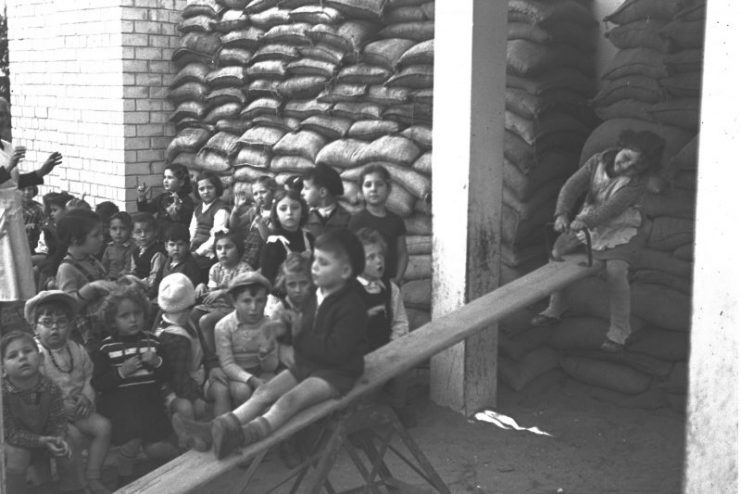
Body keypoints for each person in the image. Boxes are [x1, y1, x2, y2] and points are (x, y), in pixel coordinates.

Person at [173, 229, 368, 459]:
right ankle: (211, 430)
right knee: (264, 391)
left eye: (323, 263)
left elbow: (336, 352)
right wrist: (282, 333)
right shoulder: (317, 294)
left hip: (337, 373)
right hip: (312, 363)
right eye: (315, 259)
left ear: (345, 271)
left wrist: (298, 334)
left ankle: (242, 436)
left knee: (289, 401)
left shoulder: (351, 304)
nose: (314, 266)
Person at [530, 129, 667, 352]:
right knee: (558, 252)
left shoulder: (636, 183)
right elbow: (571, 186)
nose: (627, 167)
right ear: (621, 146)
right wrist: (562, 213)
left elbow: (611, 209)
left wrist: (584, 221)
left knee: (616, 272)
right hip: (588, 225)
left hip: (621, 230)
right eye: (626, 159)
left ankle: (619, 331)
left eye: (636, 167)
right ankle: (555, 308)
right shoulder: (597, 162)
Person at [27, 291, 112, 494]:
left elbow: (89, 376)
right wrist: (60, 408)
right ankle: (73, 484)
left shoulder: (76, 349)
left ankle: (93, 475)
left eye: (61, 322)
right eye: (47, 322)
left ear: (71, 325)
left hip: (78, 408)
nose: (55, 327)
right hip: (49, 415)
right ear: (35, 328)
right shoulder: (35, 355)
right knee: (71, 436)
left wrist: (85, 395)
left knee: (104, 426)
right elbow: (34, 389)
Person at [91, 286, 178, 486]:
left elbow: (168, 375)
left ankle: (179, 461)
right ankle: (124, 480)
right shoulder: (106, 347)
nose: (133, 320)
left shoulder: (153, 342)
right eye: (124, 316)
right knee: (130, 444)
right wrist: (122, 372)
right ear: (113, 320)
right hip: (121, 409)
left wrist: (156, 362)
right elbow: (99, 383)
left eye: (137, 313)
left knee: (155, 449)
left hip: (150, 406)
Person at [2, 330, 83, 494]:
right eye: (13, 355)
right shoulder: (3, 394)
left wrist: (58, 437)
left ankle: (73, 488)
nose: (22, 357)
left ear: (40, 359)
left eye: (27, 351)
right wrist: (41, 441)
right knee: (18, 456)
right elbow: (10, 433)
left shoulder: (50, 387)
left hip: (46, 435)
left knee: (69, 442)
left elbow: (58, 420)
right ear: (2, 368)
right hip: (14, 441)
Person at [0, 106, 63, 306]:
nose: (2, 118)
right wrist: (8, 167)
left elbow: (14, 181)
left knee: (17, 262)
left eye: (3, 114)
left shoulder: (6, 146)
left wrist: (40, 172)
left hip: (13, 211)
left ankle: (18, 303)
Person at [355, 227, 415, 426]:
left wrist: (393, 346)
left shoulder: (390, 289)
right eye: (370, 257)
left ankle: (398, 406)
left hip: (385, 347)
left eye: (380, 255)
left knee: (404, 363)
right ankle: (360, 417)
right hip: (358, 354)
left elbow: (400, 322)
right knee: (367, 382)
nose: (378, 261)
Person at [155, 274, 218, 447]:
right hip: (174, 387)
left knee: (219, 388)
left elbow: (205, 349)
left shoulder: (190, 322)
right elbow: (178, 378)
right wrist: (196, 396)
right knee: (190, 407)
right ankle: (190, 441)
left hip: (193, 379)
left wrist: (213, 366)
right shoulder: (174, 338)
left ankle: (221, 429)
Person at [54, 209, 116, 352]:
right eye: (96, 235)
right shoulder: (66, 268)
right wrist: (91, 288)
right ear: (76, 240)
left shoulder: (92, 260)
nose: (102, 238)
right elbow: (68, 306)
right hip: (86, 336)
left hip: (104, 325)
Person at [193, 229, 253, 355]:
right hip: (217, 307)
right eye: (219, 248)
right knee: (192, 314)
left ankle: (214, 357)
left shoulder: (244, 269)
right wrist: (202, 286)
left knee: (206, 320)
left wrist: (224, 293)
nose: (223, 252)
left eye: (228, 247)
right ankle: (199, 352)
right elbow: (211, 293)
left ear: (238, 249)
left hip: (236, 309)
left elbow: (244, 299)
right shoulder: (216, 268)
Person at [348, 164, 408, 287]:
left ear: (389, 189)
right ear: (361, 190)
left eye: (379, 184)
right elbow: (352, 255)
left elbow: (402, 253)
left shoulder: (396, 220)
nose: (373, 189)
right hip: (365, 284)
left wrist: (397, 278)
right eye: (368, 185)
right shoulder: (356, 221)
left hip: (391, 282)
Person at [265, 252, 315, 369]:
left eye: (303, 283)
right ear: (284, 285)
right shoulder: (279, 310)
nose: (298, 290)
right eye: (292, 285)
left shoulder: (316, 304)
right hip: (287, 356)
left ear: (311, 282)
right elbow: (273, 346)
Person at [260, 189, 313, 285]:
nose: (289, 212)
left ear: (303, 213)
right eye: (283, 209)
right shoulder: (273, 242)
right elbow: (267, 279)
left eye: (295, 208)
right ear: (276, 215)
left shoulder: (309, 237)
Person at [230, 175, 278, 270]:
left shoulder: (276, 211)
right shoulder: (254, 210)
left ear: (272, 192)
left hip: (265, 252)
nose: (259, 197)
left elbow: (267, 238)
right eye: (255, 194)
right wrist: (235, 210)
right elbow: (234, 226)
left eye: (263, 192)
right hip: (250, 250)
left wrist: (259, 219)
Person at [190, 171, 229, 279]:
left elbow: (215, 238)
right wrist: (189, 246)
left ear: (217, 188)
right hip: (195, 248)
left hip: (209, 253)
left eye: (210, 188)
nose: (206, 192)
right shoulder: (198, 209)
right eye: (201, 189)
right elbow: (192, 230)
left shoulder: (221, 209)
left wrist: (198, 253)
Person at [137, 163, 195, 231]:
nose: (165, 181)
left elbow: (185, 222)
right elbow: (147, 211)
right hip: (159, 234)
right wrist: (141, 198)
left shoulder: (186, 200)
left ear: (181, 182)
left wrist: (178, 210)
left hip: (175, 236)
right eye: (165, 177)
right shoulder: (162, 197)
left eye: (170, 178)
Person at [301, 163, 351, 239]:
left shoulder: (347, 219)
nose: (302, 192)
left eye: (306, 188)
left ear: (322, 192)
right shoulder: (304, 217)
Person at [127, 212, 166, 297]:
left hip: (151, 291)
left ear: (155, 232)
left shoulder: (158, 252)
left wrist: (137, 283)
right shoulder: (135, 251)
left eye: (147, 231)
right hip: (137, 287)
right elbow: (134, 270)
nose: (143, 235)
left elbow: (154, 279)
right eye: (138, 232)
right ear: (132, 234)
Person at [159, 222, 201, 288]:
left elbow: (192, 288)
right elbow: (157, 282)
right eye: (172, 245)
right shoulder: (166, 262)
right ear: (166, 246)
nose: (176, 248)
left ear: (188, 245)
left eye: (180, 244)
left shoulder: (190, 265)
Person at [101, 211, 135, 281]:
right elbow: (104, 266)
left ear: (130, 230)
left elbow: (128, 269)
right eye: (114, 229)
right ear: (109, 230)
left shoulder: (132, 247)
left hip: (125, 281)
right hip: (109, 280)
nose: (118, 232)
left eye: (123, 228)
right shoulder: (109, 247)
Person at [20, 183, 45, 252]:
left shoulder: (39, 209)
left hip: (31, 247)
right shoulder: (11, 209)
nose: (27, 192)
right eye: (23, 189)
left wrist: (36, 226)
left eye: (29, 189)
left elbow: (43, 228)